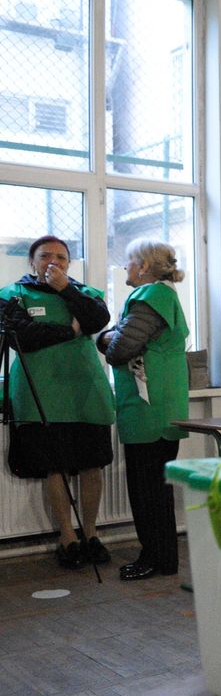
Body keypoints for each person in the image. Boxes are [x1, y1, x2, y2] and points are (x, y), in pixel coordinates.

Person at [0, 236, 114, 569]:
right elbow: (23, 337)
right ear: (31, 261)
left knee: (93, 464)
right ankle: (67, 537)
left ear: (69, 263)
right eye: (45, 255)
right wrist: (69, 332)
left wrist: (66, 290)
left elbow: (96, 321)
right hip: (42, 395)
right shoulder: (12, 295)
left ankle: (91, 533)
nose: (54, 261)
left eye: (61, 257)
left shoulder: (86, 294)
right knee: (56, 466)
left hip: (85, 391)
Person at [97, 239, 190, 581]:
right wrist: (111, 336)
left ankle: (155, 558)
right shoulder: (161, 296)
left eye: (130, 260)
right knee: (154, 489)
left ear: (145, 266)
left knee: (147, 490)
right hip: (159, 410)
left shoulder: (150, 297)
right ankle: (159, 557)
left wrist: (104, 339)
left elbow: (120, 348)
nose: (126, 267)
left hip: (150, 412)